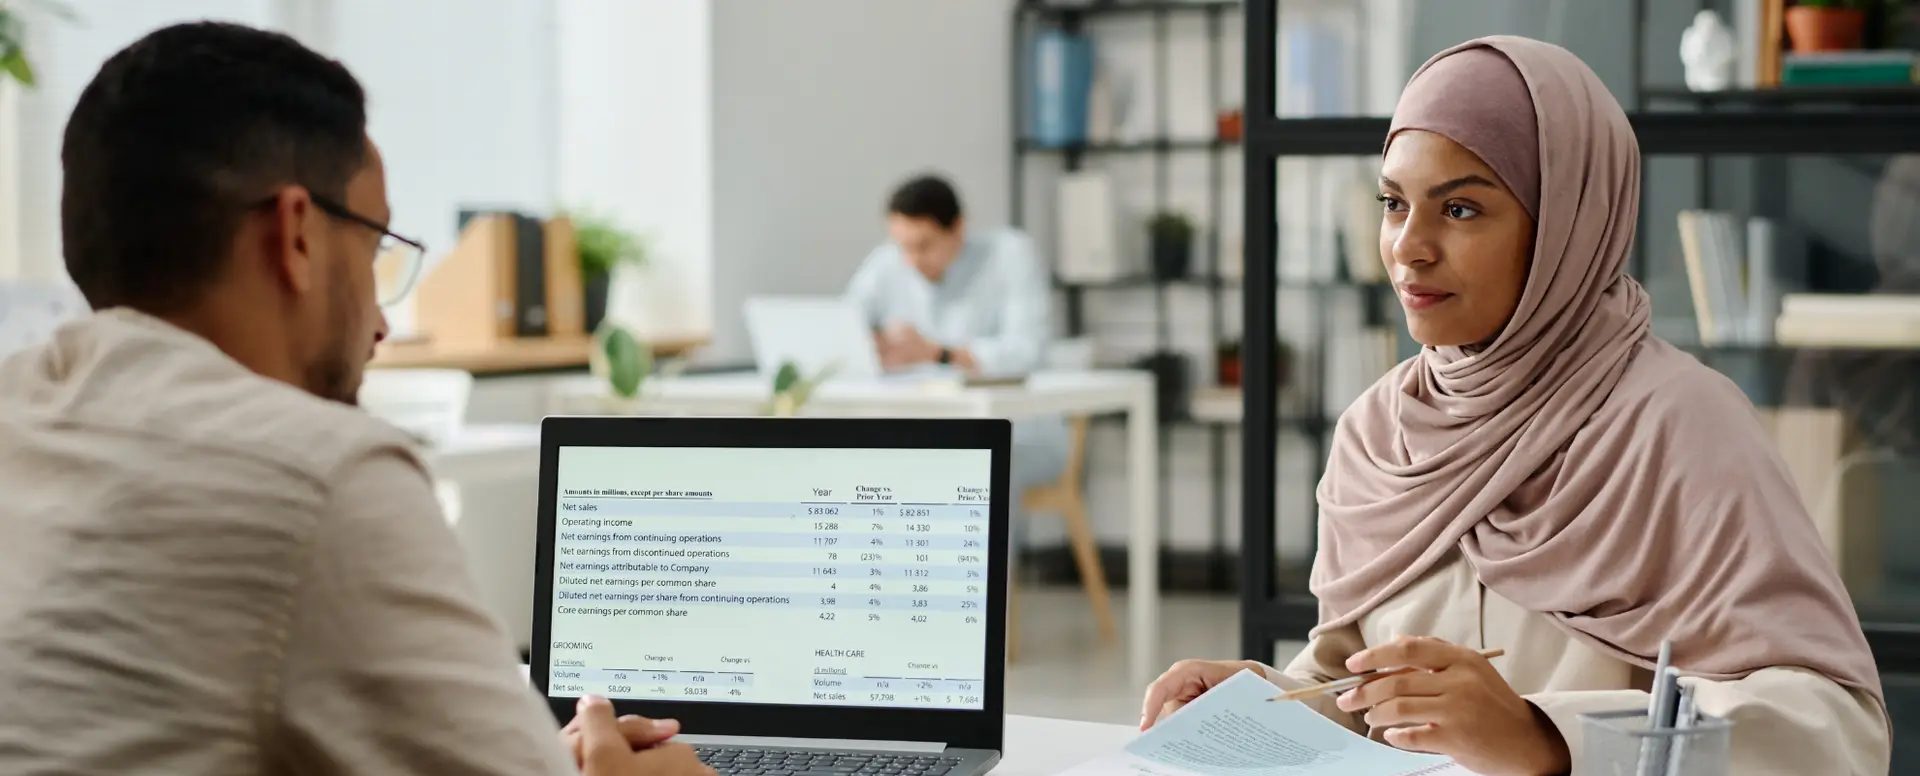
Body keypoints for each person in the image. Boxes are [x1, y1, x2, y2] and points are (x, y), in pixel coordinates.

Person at [1142, 36, 1888, 776]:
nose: (1410, 247)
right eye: (1393, 204)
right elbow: (1358, 689)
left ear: (1568, 222)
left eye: (1461, 208)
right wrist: (1263, 703)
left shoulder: (1683, 424)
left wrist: (1549, 737)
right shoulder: (1379, 434)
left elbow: (1830, 732)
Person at [0, 22, 710, 776]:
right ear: (296, 233)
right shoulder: (320, 476)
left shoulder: (21, 407)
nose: (379, 321)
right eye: (374, 249)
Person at [844, 174, 1069, 529]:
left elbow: (1028, 352)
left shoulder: (1010, 254)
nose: (912, 260)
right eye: (902, 246)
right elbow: (845, 324)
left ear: (959, 227)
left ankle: (976, 584)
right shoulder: (889, 262)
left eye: (924, 245)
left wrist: (938, 354)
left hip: (1021, 431)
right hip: (918, 428)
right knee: (861, 466)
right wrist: (875, 344)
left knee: (965, 464)